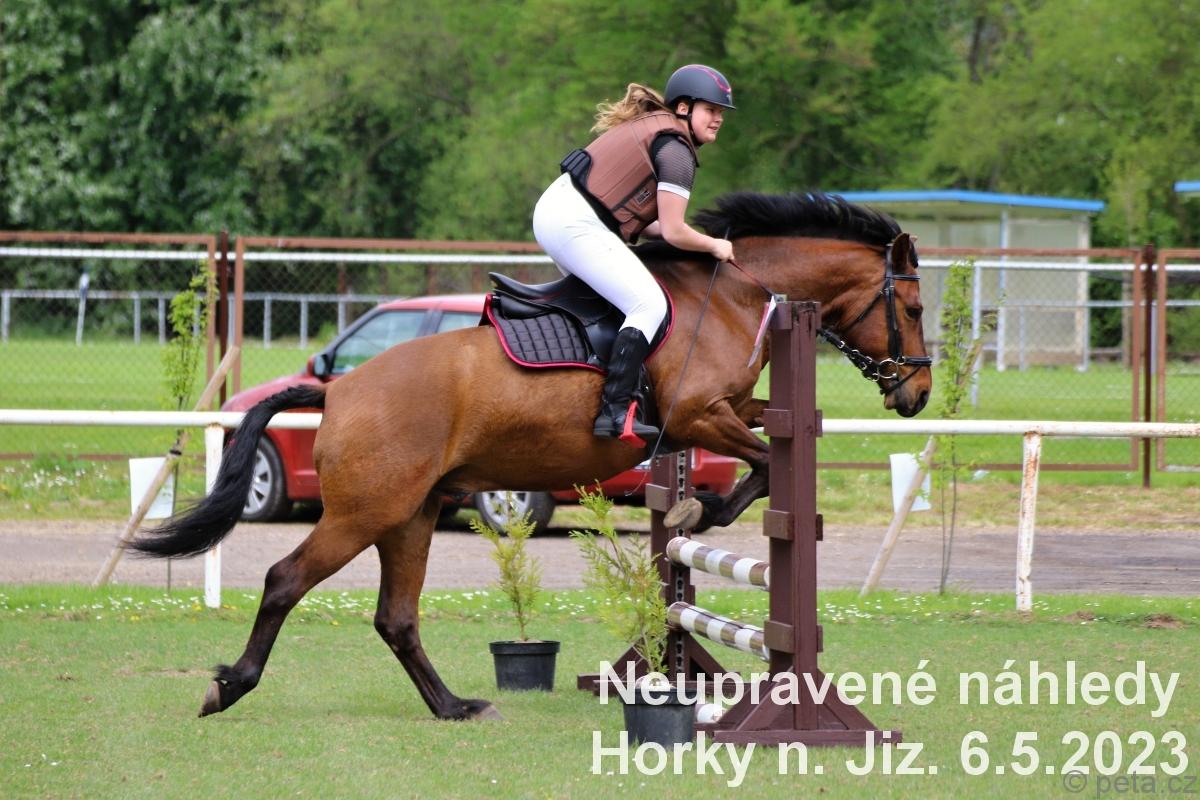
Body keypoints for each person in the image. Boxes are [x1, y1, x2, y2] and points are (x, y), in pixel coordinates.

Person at [533, 64, 736, 447]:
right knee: (648, 304)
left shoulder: (659, 131)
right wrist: (714, 245)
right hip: (575, 222)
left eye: (721, 112)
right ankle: (614, 411)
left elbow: (650, 225)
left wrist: (698, 238)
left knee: (611, 306)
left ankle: (580, 393)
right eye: (711, 109)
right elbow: (674, 231)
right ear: (683, 108)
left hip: (562, 214)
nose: (718, 118)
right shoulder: (676, 149)